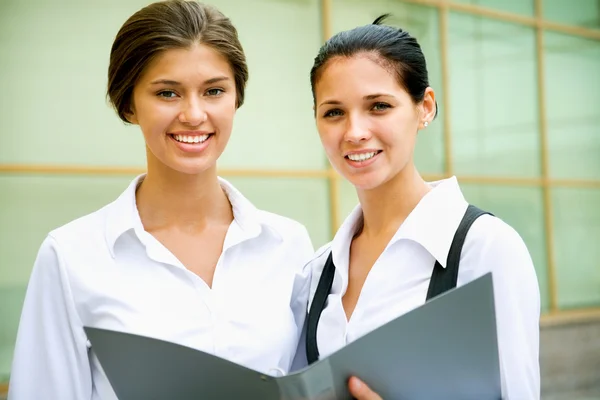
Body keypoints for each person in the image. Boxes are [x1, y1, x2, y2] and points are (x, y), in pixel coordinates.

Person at [8, 1, 314, 399]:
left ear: (236, 98)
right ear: (129, 104)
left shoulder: (289, 245)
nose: (193, 114)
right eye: (167, 93)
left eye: (214, 91)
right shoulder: (71, 256)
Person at [303, 15, 541, 400]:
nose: (354, 131)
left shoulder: (484, 249)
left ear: (425, 107)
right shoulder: (318, 273)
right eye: (334, 112)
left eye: (378, 106)